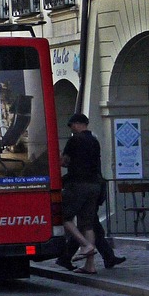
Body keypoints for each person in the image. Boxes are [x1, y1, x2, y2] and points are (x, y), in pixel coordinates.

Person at [57, 113, 103, 274]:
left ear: (77, 124)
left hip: (77, 183)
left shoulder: (74, 140)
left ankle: (85, 245)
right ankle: (90, 266)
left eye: (71, 126)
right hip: (94, 185)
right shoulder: (94, 140)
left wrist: (57, 158)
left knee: (63, 216)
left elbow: (64, 162)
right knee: (87, 224)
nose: (71, 129)